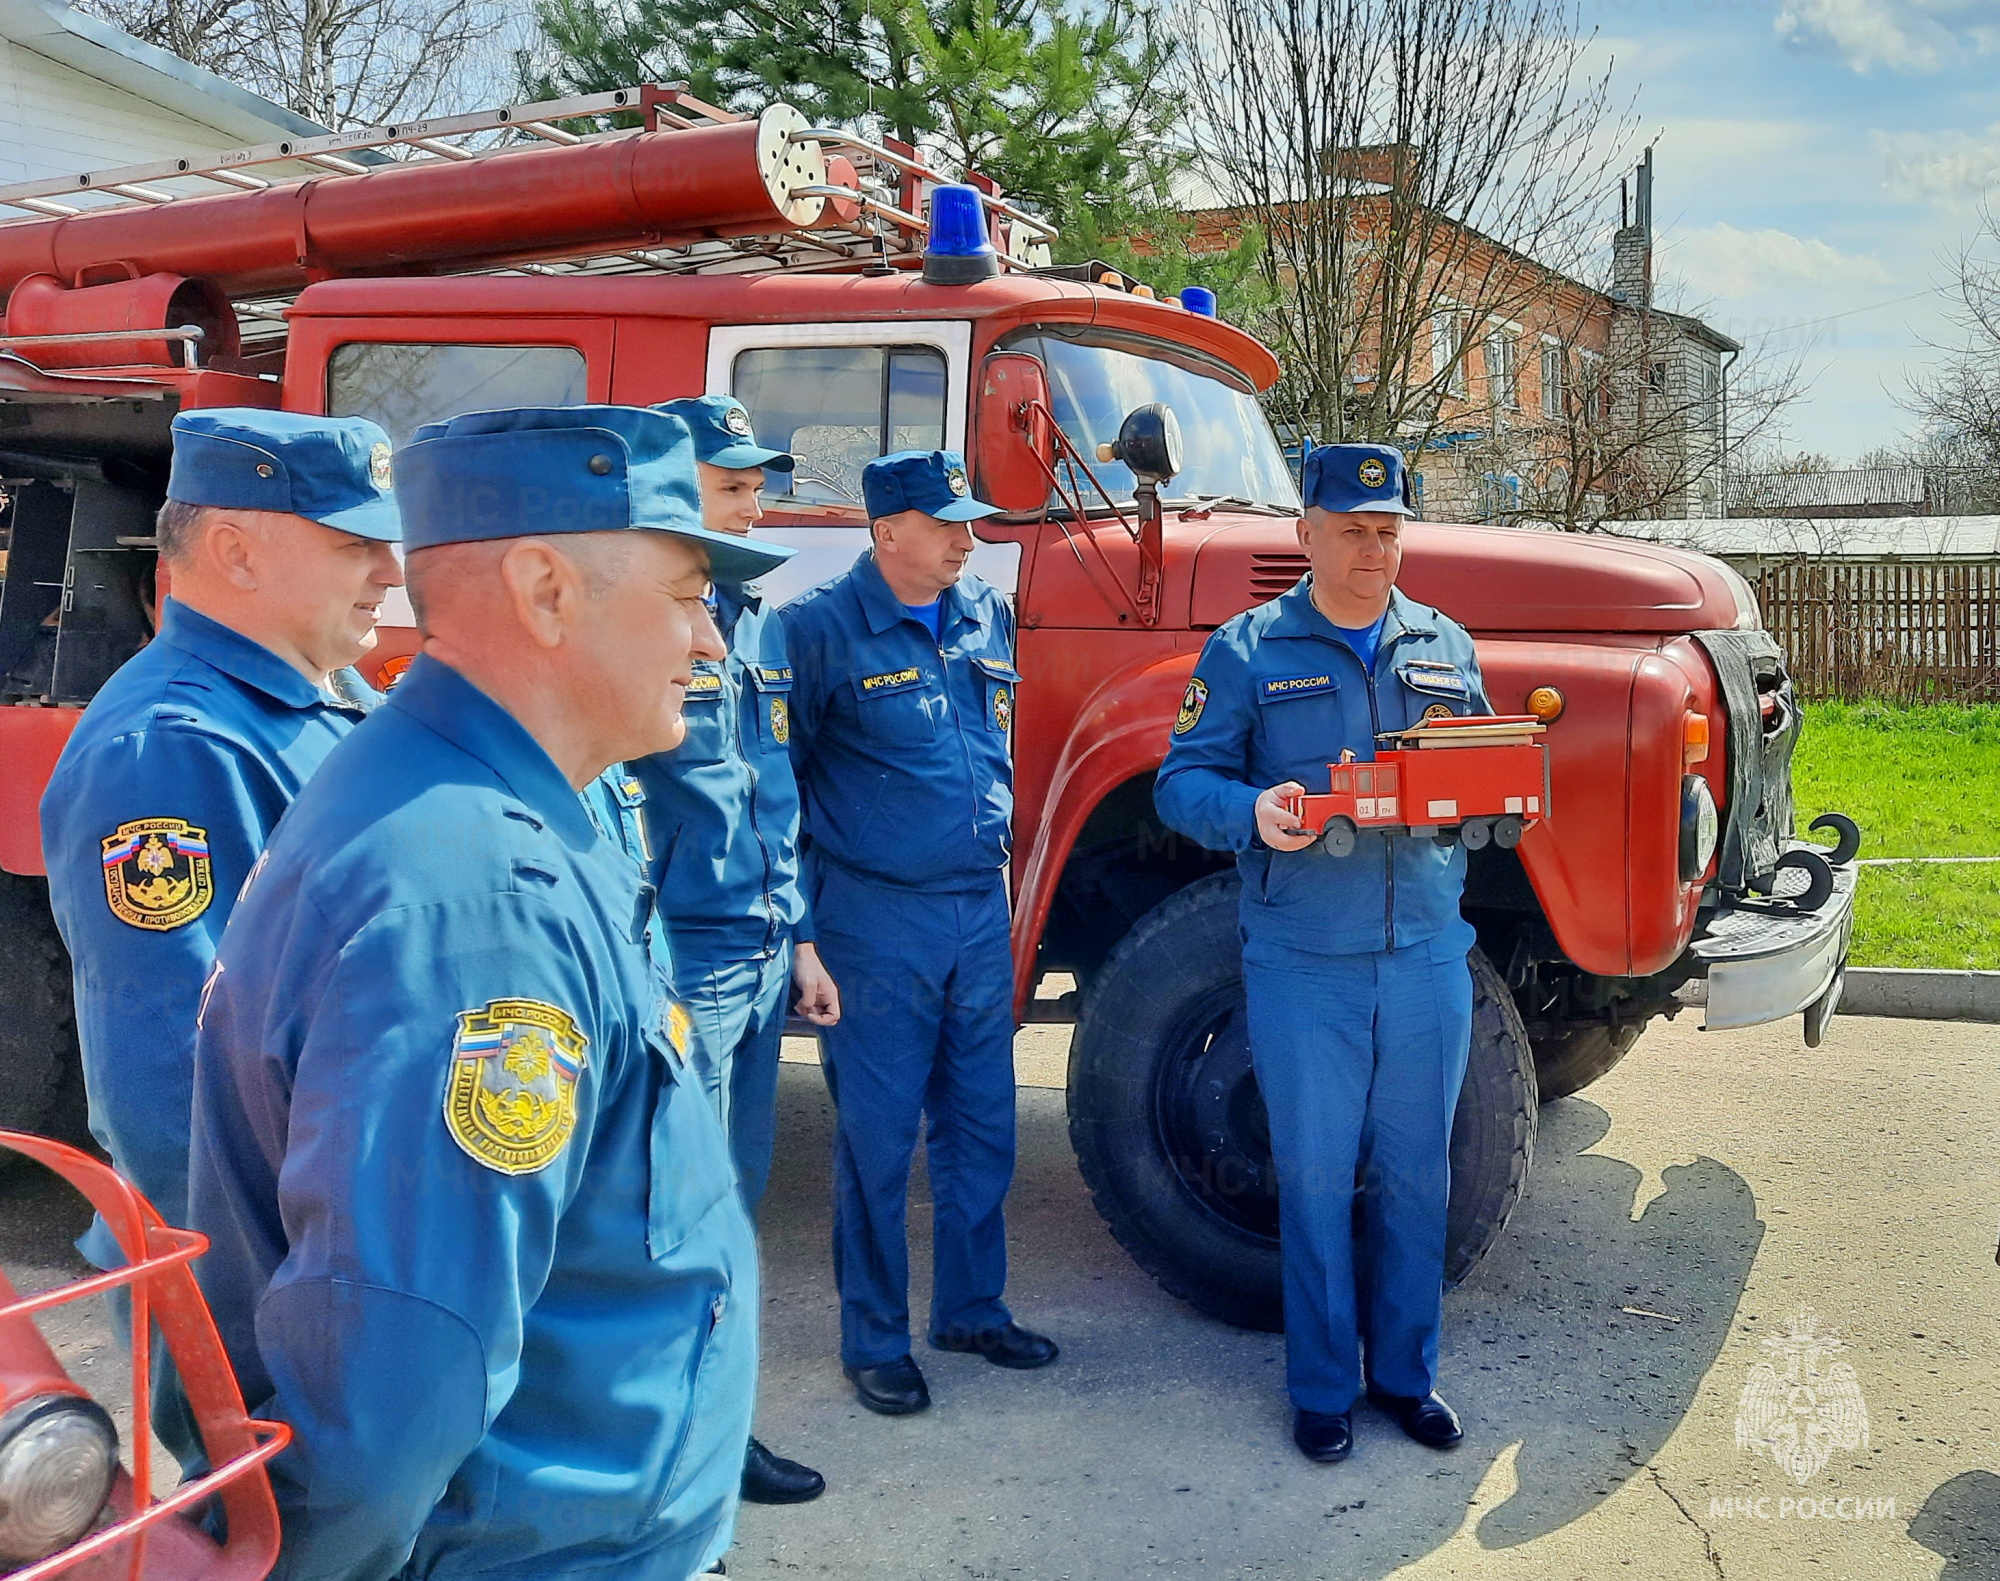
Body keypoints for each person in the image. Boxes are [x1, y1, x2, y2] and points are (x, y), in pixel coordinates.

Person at [186, 405, 790, 1579]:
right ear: (547, 591)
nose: (710, 641)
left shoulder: (481, 803)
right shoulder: (476, 902)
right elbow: (401, 1382)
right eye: (681, 594)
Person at [1153, 442, 1490, 1466]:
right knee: (1310, 1180)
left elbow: (1479, 762)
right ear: (1304, 533)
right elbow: (1179, 784)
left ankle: (1403, 1377)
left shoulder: (1441, 643)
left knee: (1415, 1179)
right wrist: (1252, 810)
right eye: (1350, 530)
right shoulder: (1248, 649)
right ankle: (1318, 1391)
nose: (1371, 550)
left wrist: (1498, 794)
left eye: (1387, 531)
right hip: (1306, 962)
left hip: (1427, 957)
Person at [40, 408, 401, 1340]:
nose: (390, 573)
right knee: (268, 1494)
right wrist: (292, 1295)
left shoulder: (320, 695)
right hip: (270, 1277)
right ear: (237, 552)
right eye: (356, 543)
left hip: (349, 1235)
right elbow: (172, 1078)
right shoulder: (168, 747)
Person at [782, 448, 1056, 1417]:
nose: (964, 540)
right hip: (874, 916)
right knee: (877, 1140)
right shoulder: (816, 630)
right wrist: (803, 933)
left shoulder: (983, 611)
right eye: (944, 525)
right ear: (884, 529)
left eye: (968, 522)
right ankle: (873, 1340)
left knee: (982, 1125)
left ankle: (971, 1310)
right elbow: (780, 789)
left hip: (974, 909)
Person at [634, 394, 836, 1505]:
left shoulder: (753, 614)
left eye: (758, 478)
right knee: (676, 1214)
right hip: (685, 956)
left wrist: (799, 938)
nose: (755, 495)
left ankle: (717, 1430)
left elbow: (774, 792)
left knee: (734, 1205)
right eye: (732, 480)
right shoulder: (643, 613)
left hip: (759, 949)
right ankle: (668, 1458)